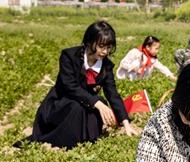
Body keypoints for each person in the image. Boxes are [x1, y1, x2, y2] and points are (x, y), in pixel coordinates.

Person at [28, 21, 137, 149]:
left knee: (95, 106)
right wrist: (96, 102)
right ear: (90, 41)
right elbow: (70, 87)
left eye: (108, 47)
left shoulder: (106, 66)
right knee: (80, 106)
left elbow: (113, 94)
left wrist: (126, 124)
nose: (105, 51)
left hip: (86, 105)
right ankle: (64, 143)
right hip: (61, 104)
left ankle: (87, 143)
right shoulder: (69, 56)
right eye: (101, 46)